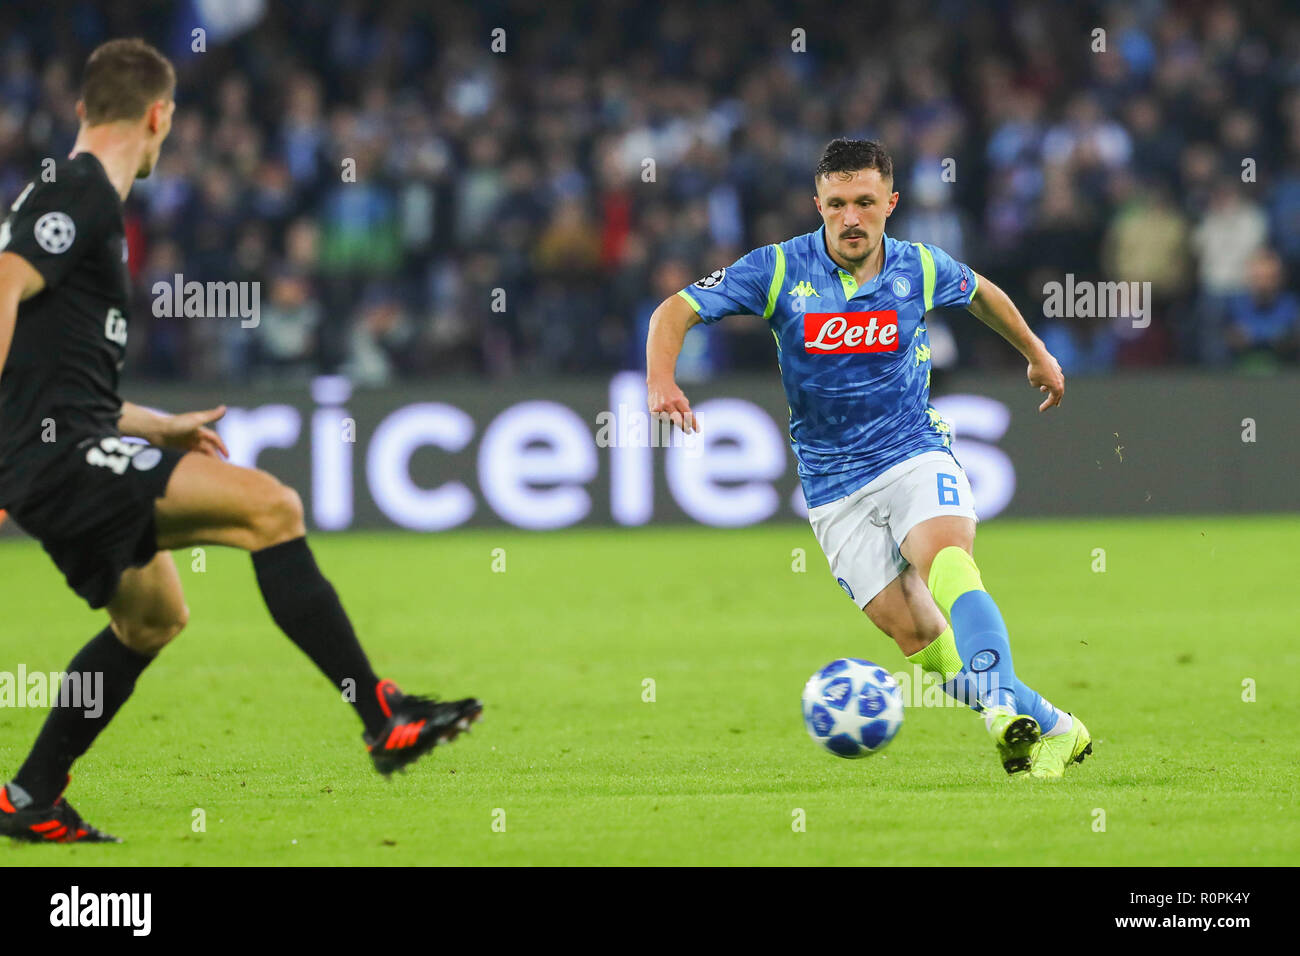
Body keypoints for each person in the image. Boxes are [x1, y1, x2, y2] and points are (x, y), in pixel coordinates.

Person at [0, 39, 480, 844]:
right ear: (161, 116)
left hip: (64, 447)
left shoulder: (85, 205)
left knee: (151, 618)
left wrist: (157, 425)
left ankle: (30, 796)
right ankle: (381, 717)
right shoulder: (75, 188)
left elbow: (56, 386)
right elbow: (3, 286)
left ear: (84, 107)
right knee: (271, 506)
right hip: (55, 463)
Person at [646, 138, 1089, 779]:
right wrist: (662, 380)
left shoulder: (920, 266)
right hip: (831, 483)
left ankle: (999, 712)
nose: (851, 218)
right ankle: (1053, 725)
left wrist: (1036, 353)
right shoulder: (775, 269)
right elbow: (674, 310)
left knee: (948, 562)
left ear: (890, 204)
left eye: (864, 203)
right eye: (837, 205)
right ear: (817, 205)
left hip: (912, 449)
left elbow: (983, 294)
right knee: (919, 642)